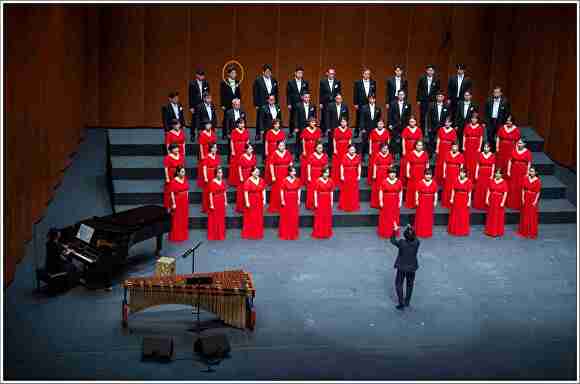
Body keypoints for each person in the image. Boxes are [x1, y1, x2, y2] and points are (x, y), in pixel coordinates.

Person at [390, 224, 420, 310]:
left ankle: (401, 303)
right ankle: (407, 302)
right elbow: (414, 236)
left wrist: (395, 230)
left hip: (402, 267)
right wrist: (411, 228)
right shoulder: (417, 242)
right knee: (410, 285)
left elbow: (392, 240)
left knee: (399, 284)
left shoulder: (402, 243)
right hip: (412, 267)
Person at [253, 64, 279, 141]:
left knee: (271, 117)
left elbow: (276, 92)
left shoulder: (274, 80)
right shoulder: (258, 80)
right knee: (259, 118)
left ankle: (271, 132)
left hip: (271, 102)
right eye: (267, 71)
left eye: (270, 72)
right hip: (261, 102)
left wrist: (276, 102)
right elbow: (255, 93)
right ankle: (258, 134)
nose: (268, 73)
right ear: (263, 72)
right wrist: (256, 104)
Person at [506, 139, 532, 210]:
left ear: (524, 144)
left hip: (522, 171)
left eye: (520, 143)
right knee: (513, 186)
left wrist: (527, 173)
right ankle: (511, 204)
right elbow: (510, 161)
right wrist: (508, 170)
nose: (519, 144)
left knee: (520, 186)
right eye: (518, 143)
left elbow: (529, 163)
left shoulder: (528, 152)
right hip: (514, 170)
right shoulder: (514, 151)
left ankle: (519, 204)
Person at [268, 140, 293, 213]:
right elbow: (271, 165)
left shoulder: (287, 152)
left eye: (283, 145)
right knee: (277, 189)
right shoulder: (274, 154)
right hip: (278, 173)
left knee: (286, 188)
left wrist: (290, 171)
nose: (282, 147)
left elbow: (291, 162)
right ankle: (277, 206)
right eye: (280, 145)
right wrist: (273, 175)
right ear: (277, 146)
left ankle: (286, 205)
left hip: (286, 173)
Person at [242, 167, 267, 239]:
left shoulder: (261, 180)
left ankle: (258, 232)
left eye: (258, 172)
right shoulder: (248, 181)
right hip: (251, 200)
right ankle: (250, 232)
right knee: (251, 216)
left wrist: (264, 200)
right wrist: (247, 202)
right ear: (252, 173)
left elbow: (263, 190)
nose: (257, 173)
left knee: (258, 216)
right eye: (256, 172)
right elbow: (246, 192)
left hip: (259, 200)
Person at [378, 167, 402, 238]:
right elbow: (381, 192)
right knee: (386, 216)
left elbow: (400, 192)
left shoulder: (399, 182)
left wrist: (400, 201)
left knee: (394, 216)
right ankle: (385, 232)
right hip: (386, 201)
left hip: (395, 201)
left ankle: (394, 231)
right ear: (388, 174)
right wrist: (381, 201)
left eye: (394, 173)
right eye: (391, 173)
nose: (392, 174)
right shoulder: (384, 181)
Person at [404, 140, 429, 209]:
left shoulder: (425, 154)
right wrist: (407, 173)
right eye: (418, 145)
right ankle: (412, 203)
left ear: (422, 146)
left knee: (421, 187)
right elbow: (408, 164)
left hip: (422, 173)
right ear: (415, 146)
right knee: (413, 187)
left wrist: (427, 173)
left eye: (420, 145)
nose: (419, 147)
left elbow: (427, 164)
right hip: (413, 172)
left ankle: (421, 203)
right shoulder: (411, 153)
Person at [279, 166, 302, 240]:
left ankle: (293, 232)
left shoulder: (298, 180)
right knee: (286, 215)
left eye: (295, 171)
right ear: (289, 172)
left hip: (294, 199)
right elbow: (282, 190)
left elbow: (299, 190)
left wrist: (298, 199)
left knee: (294, 215)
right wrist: (282, 200)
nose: (294, 173)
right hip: (287, 199)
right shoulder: (284, 180)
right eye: (292, 171)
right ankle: (285, 232)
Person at [416, 64, 440, 136]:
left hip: (433, 101)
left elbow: (438, 91)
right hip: (423, 100)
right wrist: (418, 100)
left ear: (434, 71)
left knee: (432, 117)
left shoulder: (437, 80)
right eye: (429, 70)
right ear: (426, 71)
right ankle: (422, 133)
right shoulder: (422, 78)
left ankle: (431, 132)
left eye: (431, 70)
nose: (430, 71)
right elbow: (419, 89)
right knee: (423, 117)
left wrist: (437, 101)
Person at [448, 167, 473, 236]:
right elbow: (453, 190)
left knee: (463, 214)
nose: (462, 174)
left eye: (463, 173)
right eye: (461, 172)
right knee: (455, 213)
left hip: (464, 199)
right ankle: (454, 229)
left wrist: (469, 201)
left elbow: (470, 193)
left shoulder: (469, 181)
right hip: (457, 198)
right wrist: (452, 198)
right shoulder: (456, 180)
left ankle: (462, 230)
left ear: (465, 174)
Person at [518, 166, 541, 239]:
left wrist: (535, 201)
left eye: (533, 171)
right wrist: (522, 198)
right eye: (530, 171)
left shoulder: (538, 181)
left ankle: (531, 232)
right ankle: (524, 231)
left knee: (532, 215)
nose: (531, 172)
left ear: (536, 172)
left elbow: (538, 192)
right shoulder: (526, 178)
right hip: (526, 197)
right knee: (525, 214)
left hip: (532, 198)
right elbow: (523, 189)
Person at [399, 116, 423, 187]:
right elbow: (403, 140)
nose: (412, 123)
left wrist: (419, 149)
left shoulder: (418, 130)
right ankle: (405, 182)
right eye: (410, 121)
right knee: (406, 164)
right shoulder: (406, 129)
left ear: (415, 122)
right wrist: (403, 149)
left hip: (416, 148)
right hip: (407, 148)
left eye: (413, 121)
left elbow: (420, 140)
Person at [353, 67, 377, 137]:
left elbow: (374, 93)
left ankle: (369, 131)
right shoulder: (358, 82)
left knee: (369, 117)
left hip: (369, 102)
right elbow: (355, 93)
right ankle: (356, 131)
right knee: (358, 117)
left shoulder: (373, 82)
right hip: (360, 102)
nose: (367, 75)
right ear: (363, 74)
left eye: (368, 74)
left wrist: (373, 102)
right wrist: (355, 103)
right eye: (366, 74)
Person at [312, 166, 335, 239]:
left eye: (328, 173)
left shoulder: (330, 181)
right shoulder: (318, 181)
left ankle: (326, 231)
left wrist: (331, 201)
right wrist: (316, 202)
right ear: (322, 173)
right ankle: (319, 231)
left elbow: (331, 191)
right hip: (320, 199)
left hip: (327, 199)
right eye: (326, 173)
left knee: (327, 215)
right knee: (320, 215)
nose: (327, 174)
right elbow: (315, 192)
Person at [414, 169, 438, 238]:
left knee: (428, 216)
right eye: (427, 174)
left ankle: (427, 231)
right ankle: (420, 231)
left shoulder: (434, 183)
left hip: (430, 201)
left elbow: (436, 193)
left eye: (429, 175)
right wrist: (416, 200)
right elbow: (417, 192)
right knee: (421, 215)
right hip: (422, 200)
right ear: (424, 175)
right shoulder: (420, 182)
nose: (428, 176)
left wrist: (435, 201)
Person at [286, 66, 310, 136]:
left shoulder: (305, 82)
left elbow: (307, 92)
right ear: (295, 73)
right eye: (299, 73)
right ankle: (291, 132)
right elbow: (288, 94)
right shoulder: (290, 82)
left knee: (301, 117)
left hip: (302, 102)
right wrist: (289, 103)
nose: (300, 74)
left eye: (301, 73)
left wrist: (306, 100)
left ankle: (301, 131)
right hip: (293, 102)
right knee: (292, 117)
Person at [485, 168, 508, 237]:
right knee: (491, 214)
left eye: (499, 173)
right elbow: (488, 190)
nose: (497, 175)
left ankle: (497, 231)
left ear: (501, 175)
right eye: (496, 173)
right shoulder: (491, 180)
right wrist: (487, 198)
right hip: (492, 199)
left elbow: (505, 193)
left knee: (498, 215)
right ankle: (490, 231)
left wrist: (503, 202)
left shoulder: (504, 182)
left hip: (499, 200)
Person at [388, 90, 412, 157]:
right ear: (397, 95)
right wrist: (390, 124)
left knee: (403, 140)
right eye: (400, 94)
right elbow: (390, 114)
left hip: (404, 125)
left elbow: (408, 116)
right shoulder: (393, 103)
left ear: (404, 96)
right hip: (394, 125)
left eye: (402, 94)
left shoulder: (408, 104)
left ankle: (402, 155)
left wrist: (408, 125)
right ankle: (393, 155)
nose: (401, 96)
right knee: (393, 141)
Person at [319, 66, 342, 135]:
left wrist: (338, 100)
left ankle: (334, 130)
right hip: (325, 102)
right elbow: (321, 93)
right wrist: (320, 103)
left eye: (333, 74)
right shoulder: (323, 82)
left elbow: (339, 92)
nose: (332, 75)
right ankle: (323, 131)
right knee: (324, 116)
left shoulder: (337, 82)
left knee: (333, 116)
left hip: (334, 102)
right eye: (330, 73)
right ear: (327, 74)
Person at [473, 142, 496, 210]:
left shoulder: (492, 156)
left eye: (487, 147)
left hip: (488, 174)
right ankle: (478, 204)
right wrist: (476, 174)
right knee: (480, 188)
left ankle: (485, 204)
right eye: (485, 147)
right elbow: (477, 165)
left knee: (487, 188)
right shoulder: (480, 154)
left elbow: (493, 166)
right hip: (481, 173)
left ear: (490, 148)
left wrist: (492, 175)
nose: (486, 149)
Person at [220, 65, 242, 137]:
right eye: (232, 73)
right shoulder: (224, 82)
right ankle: (225, 133)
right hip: (227, 103)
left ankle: (236, 131)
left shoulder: (237, 81)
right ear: (229, 74)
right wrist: (222, 104)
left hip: (235, 103)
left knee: (235, 117)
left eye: (235, 73)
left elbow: (238, 92)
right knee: (226, 118)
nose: (234, 74)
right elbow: (222, 94)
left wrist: (239, 101)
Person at [169, 166, 189, 242]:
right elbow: (172, 193)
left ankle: (183, 234)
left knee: (184, 217)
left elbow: (187, 190)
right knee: (177, 218)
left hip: (184, 201)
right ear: (178, 173)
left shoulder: (185, 179)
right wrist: (174, 203)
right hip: (177, 201)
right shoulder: (173, 181)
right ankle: (177, 235)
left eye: (184, 172)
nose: (184, 173)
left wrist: (187, 198)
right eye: (182, 172)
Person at [306, 142, 329, 210]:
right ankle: (312, 204)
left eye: (321, 148)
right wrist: (309, 175)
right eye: (319, 148)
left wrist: (326, 175)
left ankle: (321, 204)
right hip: (313, 174)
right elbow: (309, 166)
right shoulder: (311, 156)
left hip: (322, 174)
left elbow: (326, 166)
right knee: (313, 189)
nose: (320, 149)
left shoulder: (325, 156)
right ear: (316, 148)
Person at [367, 120, 390, 186]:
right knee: (373, 163)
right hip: (375, 148)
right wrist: (370, 150)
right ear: (377, 124)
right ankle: (372, 180)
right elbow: (371, 141)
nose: (380, 125)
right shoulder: (373, 131)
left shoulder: (386, 131)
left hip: (383, 148)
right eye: (379, 124)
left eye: (381, 124)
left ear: (383, 124)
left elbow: (388, 141)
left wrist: (387, 150)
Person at [434, 117, 457, 186]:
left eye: (448, 122)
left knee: (446, 163)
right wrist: (437, 148)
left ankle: (446, 179)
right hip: (441, 148)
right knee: (440, 163)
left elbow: (454, 142)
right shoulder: (441, 129)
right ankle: (438, 180)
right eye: (446, 122)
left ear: (451, 123)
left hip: (449, 148)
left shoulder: (453, 131)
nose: (447, 124)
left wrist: (452, 150)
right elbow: (438, 139)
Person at [339, 144, 362, 212]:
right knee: (346, 190)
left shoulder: (357, 156)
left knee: (354, 190)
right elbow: (342, 166)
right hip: (346, 175)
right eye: (351, 149)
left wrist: (359, 175)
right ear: (348, 149)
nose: (352, 151)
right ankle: (345, 205)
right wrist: (342, 175)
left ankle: (353, 205)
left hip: (354, 175)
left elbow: (359, 166)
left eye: (353, 150)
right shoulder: (345, 156)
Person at [442, 143, 465, 208]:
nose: (454, 148)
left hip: (456, 173)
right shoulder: (447, 154)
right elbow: (444, 164)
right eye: (453, 146)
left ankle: (453, 202)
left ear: (458, 147)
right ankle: (446, 202)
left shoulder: (460, 155)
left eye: (456, 147)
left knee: (453, 186)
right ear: (451, 147)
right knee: (447, 186)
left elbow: (462, 166)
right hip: (448, 172)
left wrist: (460, 175)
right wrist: (444, 173)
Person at [370, 143, 393, 208]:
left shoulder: (389, 155)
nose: (385, 150)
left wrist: (391, 173)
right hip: (379, 173)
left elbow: (391, 165)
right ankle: (377, 203)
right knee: (378, 187)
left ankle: (386, 202)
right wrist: (374, 174)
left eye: (386, 148)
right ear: (381, 148)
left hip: (387, 173)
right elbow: (375, 165)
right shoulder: (377, 155)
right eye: (383, 148)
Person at [189, 69, 210, 139]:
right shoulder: (192, 83)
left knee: (203, 119)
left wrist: (208, 103)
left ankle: (202, 133)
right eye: (200, 75)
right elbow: (190, 96)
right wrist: (191, 107)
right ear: (197, 75)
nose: (202, 77)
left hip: (203, 104)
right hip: (195, 104)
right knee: (194, 119)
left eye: (203, 76)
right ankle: (192, 134)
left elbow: (208, 94)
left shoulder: (206, 83)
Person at [207, 167, 227, 241]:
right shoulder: (212, 182)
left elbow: (224, 191)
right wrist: (211, 204)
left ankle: (221, 233)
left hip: (221, 201)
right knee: (215, 217)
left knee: (221, 217)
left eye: (221, 173)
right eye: (219, 173)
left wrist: (225, 201)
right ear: (216, 174)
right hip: (215, 201)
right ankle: (215, 234)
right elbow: (210, 194)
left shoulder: (223, 181)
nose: (220, 174)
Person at [228, 119, 250, 186]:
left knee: (243, 165)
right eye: (240, 123)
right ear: (237, 124)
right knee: (235, 165)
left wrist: (247, 147)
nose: (242, 125)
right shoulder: (234, 131)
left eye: (243, 123)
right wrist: (232, 150)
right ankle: (235, 182)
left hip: (243, 149)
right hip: (236, 149)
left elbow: (247, 140)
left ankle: (244, 180)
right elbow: (231, 141)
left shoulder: (246, 131)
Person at [236, 143, 257, 213]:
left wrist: (255, 174)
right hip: (244, 174)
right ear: (246, 149)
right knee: (243, 190)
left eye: (252, 149)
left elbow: (254, 166)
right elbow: (239, 167)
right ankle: (242, 206)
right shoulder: (242, 157)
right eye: (250, 149)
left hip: (251, 174)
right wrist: (241, 176)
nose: (251, 150)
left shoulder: (253, 156)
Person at [264, 119, 286, 185]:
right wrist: (266, 150)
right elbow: (266, 142)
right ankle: (269, 180)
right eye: (276, 124)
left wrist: (283, 150)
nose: (277, 125)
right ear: (273, 125)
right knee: (269, 165)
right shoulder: (269, 132)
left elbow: (283, 142)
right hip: (271, 149)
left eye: (278, 124)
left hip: (279, 149)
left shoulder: (282, 132)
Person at [462, 112, 484, 177]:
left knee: (474, 162)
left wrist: (479, 147)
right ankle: (466, 176)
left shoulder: (480, 128)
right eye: (472, 118)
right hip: (468, 145)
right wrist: (463, 145)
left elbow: (481, 138)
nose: (474, 120)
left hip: (475, 146)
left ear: (477, 120)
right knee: (467, 161)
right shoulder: (467, 126)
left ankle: (472, 177)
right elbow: (464, 136)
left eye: (475, 118)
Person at [196, 121, 217, 192]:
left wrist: (215, 152)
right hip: (204, 150)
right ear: (205, 126)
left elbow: (214, 143)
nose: (208, 126)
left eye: (209, 125)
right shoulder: (202, 133)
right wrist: (202, 154)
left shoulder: (213, 133)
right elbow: (201, 145)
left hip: (212, 150)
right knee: (203, 166)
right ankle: (203, 181)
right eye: (207, 125)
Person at [163, 144, 185, 211]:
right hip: (171, 174)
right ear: (171, 150)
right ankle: (169, 206)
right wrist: (167, 177)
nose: (176, 150)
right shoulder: (168, 157)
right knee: (170, 190)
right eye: (174, 148)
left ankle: (179, 204)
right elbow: (166, 168)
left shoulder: (181, 156)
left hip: (179, 174)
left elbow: (182, 166)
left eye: (177, 148)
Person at [200, 143, 220, 213]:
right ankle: (207, 207)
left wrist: (219, 176)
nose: (216, 149)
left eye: (216, 148)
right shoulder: (206, 157)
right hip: (209, 174)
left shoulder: (217, 157)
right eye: (214, 148)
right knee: (208, 191)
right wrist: (205, 177)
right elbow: (204, 168)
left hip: (215, 174)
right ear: (211, 149)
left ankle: (214, 205)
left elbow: (218, 167)